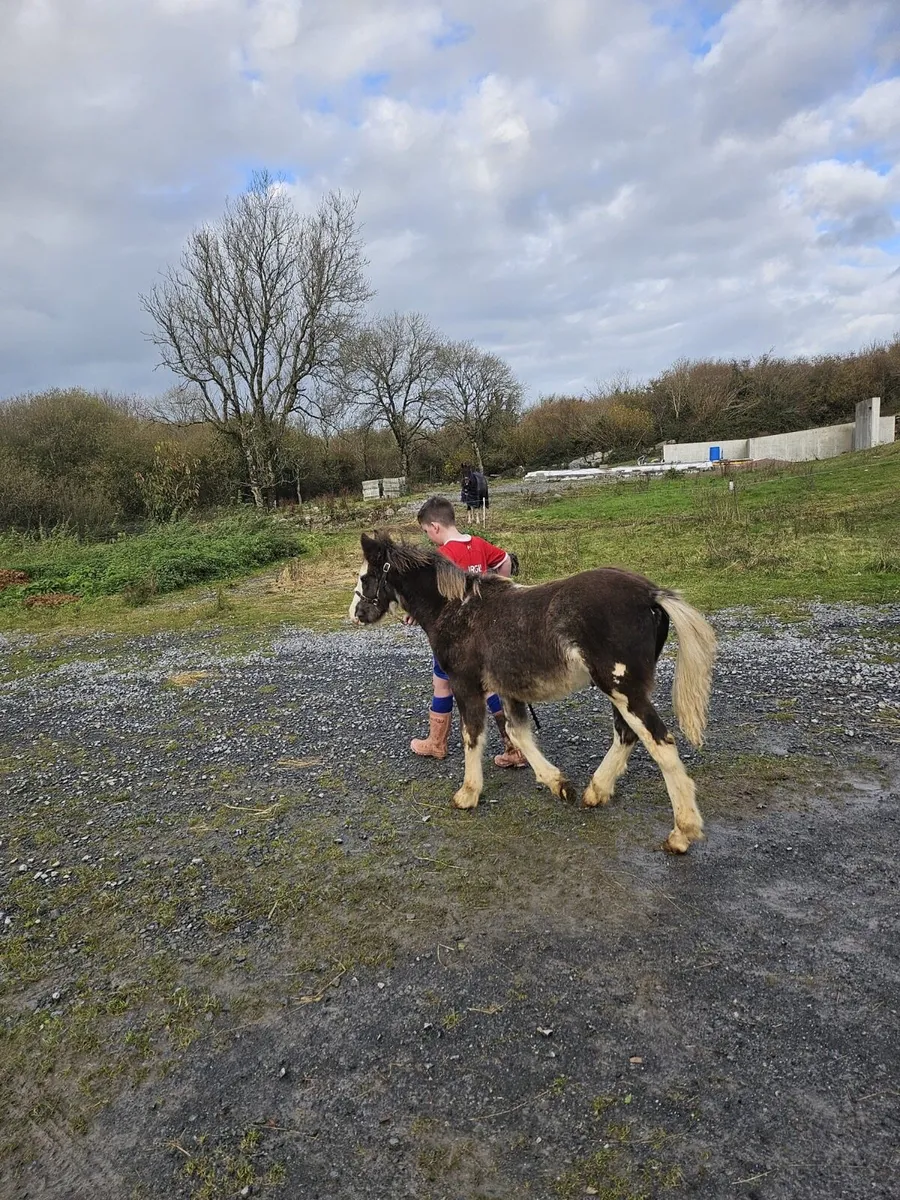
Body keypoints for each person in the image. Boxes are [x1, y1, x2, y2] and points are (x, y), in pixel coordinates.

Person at [408, 495, 526, 768]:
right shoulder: (478, 544)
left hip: (455, 637)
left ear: (435, 527)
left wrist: (413, 614)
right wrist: (501, 588)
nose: (429, 538)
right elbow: (505, 560)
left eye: (427, 532)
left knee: (443, 684)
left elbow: (430, 597)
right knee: (489, 684)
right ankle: (515, 748)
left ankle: (437, 743)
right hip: (484, 630)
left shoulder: (442, 557)